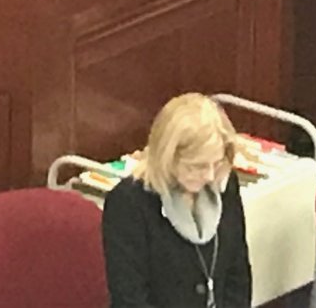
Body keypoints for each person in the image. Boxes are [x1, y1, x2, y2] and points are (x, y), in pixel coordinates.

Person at [100, 92, 253, 308]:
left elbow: (237, 279)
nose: (209, 176)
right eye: (197, 166)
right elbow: (130, 300)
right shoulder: (129, 204)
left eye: (216, 163)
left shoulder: (225, 185)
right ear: (168, 157)